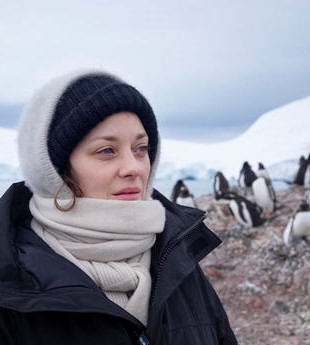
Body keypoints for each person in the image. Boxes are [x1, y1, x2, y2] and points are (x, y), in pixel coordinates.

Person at [0, 70, 238, 344]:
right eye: (106, 151)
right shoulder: (12, 291)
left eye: (141, 148)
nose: (134, 167)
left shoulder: (176, 260)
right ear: (55, 170)